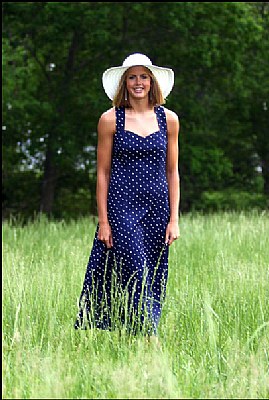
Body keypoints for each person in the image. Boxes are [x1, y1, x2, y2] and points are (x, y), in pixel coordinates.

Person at [74, 53, 180, 340]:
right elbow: (102, 174)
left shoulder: (169, 119)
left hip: (158, 209)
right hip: (122, 208)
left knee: (153, 272)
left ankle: (135, 333)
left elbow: (172, 172)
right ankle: (148, 338)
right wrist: (104, 222)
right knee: (134, 268)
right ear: (124, 83)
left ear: (152, 81)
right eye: (132, 77)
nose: (138, 82)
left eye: (143, 76)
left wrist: (174, 218)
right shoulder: (109, 120)